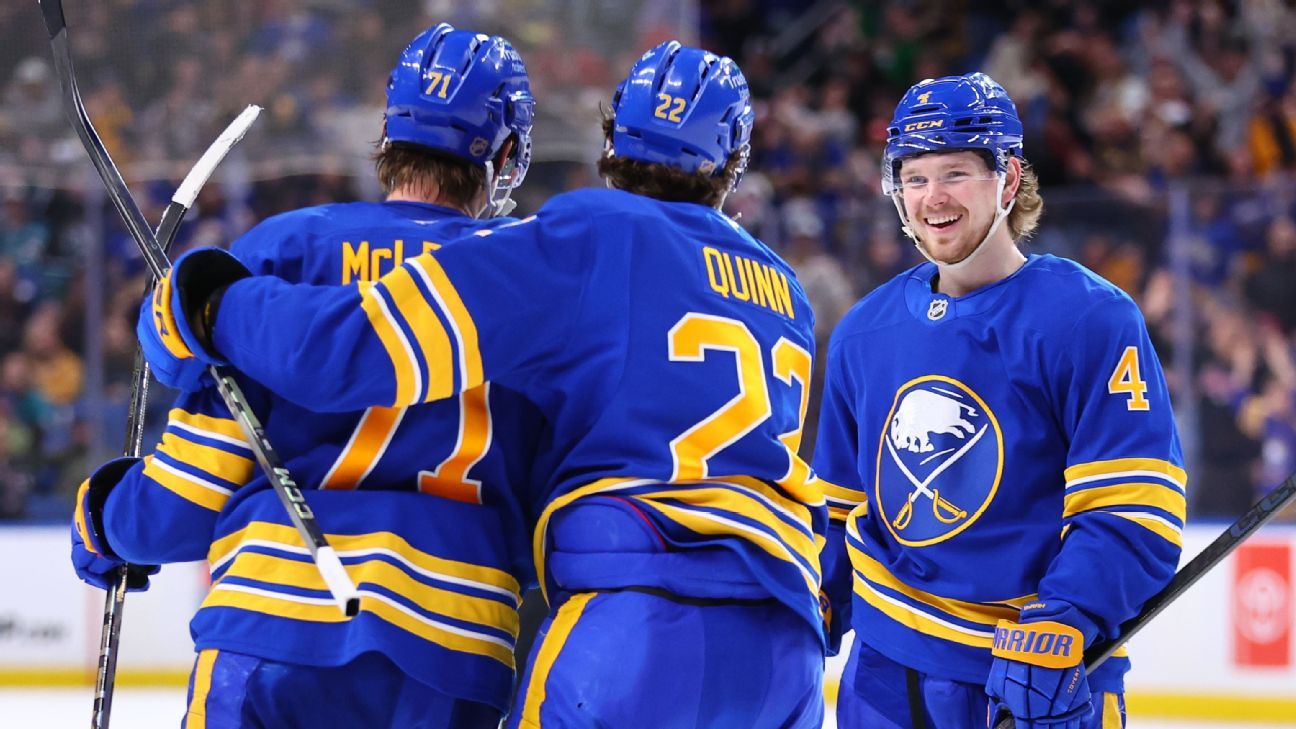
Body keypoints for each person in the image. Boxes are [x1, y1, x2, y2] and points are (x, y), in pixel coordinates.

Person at [136, 41, 826, 728]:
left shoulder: (585, 236)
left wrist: (214, 305)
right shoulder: (786, 291)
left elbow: (355, 347)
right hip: (786, 638)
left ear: (615, 135)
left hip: (633, 614)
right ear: (733, 160)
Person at [70, 24, 546, 728]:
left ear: (388, 132)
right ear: (506, 154)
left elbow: (188, 495)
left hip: (273, 626)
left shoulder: (284, 250)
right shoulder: (535, 280)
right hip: (453, 653)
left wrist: (106, 521)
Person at [811, 73, 1186, 729]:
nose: (932, 197)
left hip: (1036, 676)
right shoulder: (863, 332)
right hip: (884, 676)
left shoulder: (1089, 318)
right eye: (914, 177)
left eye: (954, 173)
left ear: (1008, 179)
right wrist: (811, 601)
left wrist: (1070, 611)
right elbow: (838, 513)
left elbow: (1136, 503)